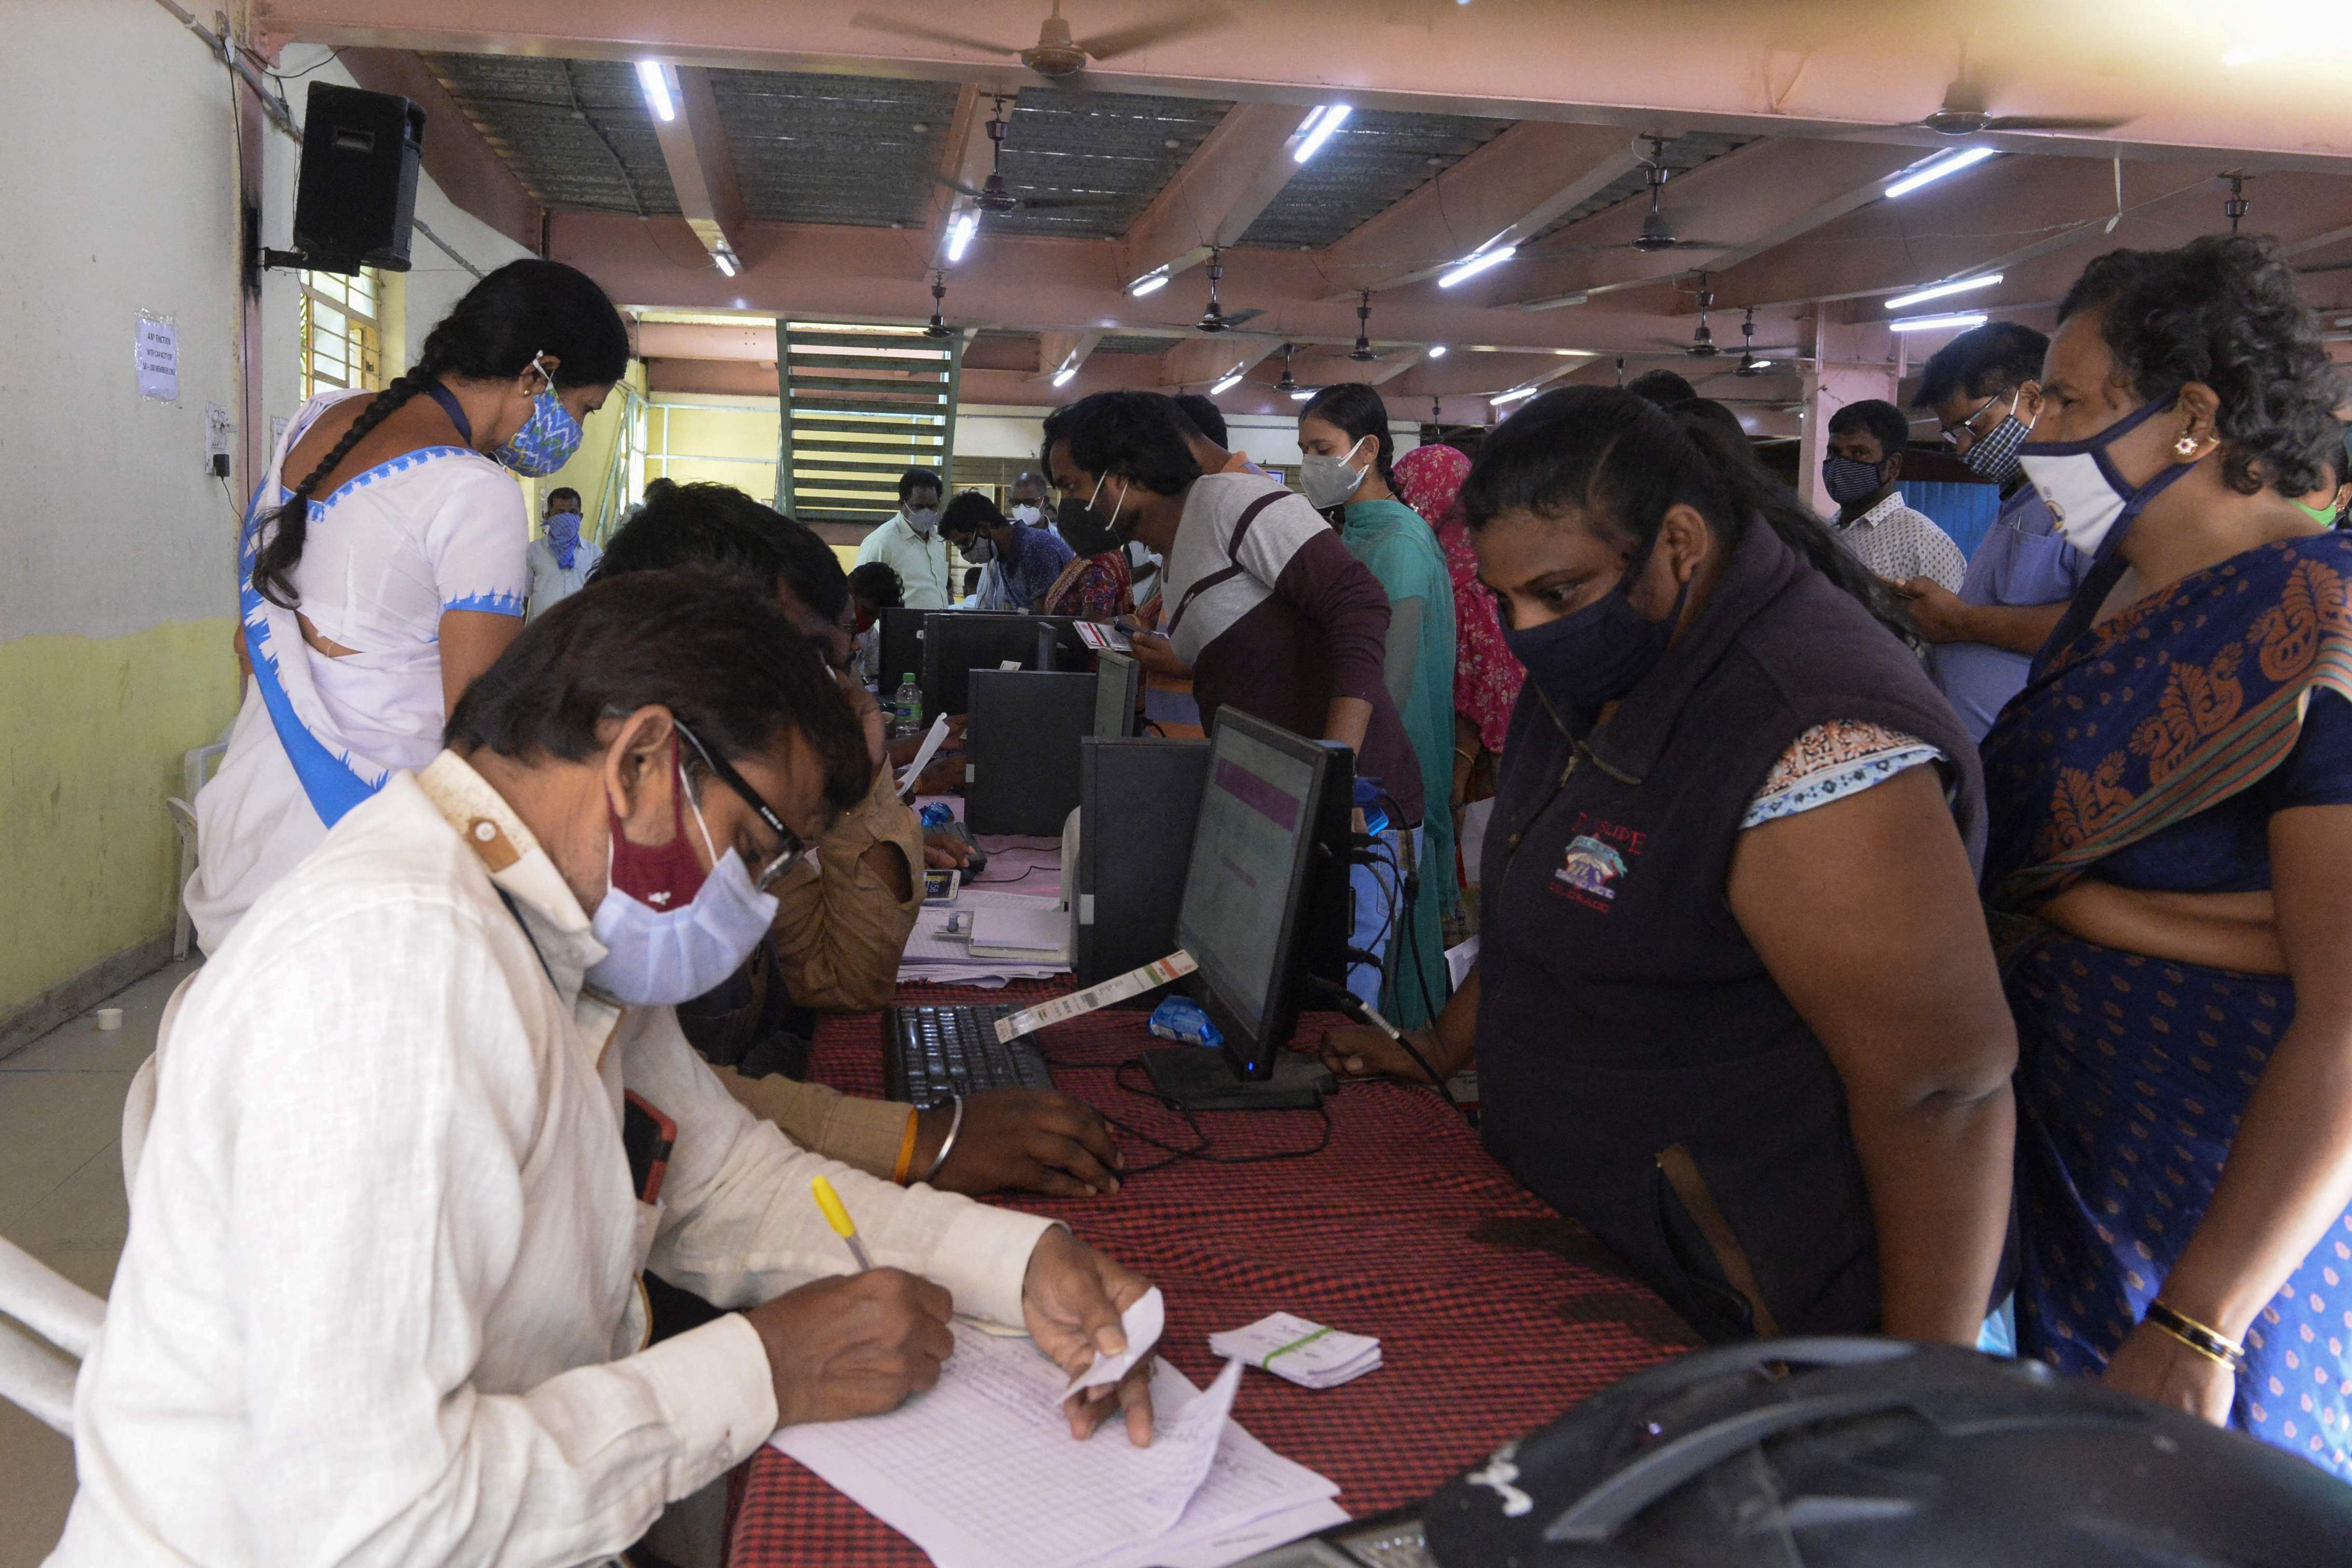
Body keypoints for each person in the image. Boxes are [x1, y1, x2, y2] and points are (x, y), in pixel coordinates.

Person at [53, 572, 1157, 1567]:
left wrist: (1011, 1258)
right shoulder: (394, 980)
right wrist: (763, 1369)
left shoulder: (544, 927)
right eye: (758, 846)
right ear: (640, 761)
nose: (758, 900)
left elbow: (727, 1186)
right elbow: (371, 1520)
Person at [1321, 386, 2017, 1350]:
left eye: (1556, 593)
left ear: (1680, 545)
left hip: (1753, 1288)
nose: (1527, 627)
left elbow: (1940, 1090)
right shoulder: (1608, 654)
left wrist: (1918, 1381)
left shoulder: (1813, 735)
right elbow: (1551, 891)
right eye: (1504, 598)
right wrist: (1440, 1047)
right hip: (1605, 1249)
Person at [1978, 235, 2352, 1474]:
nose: (2038, 436)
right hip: (2063, 1141)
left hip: (2214, 1204)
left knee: (2193, 1502)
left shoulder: (2322, 623)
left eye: (2070, 404)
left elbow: (2344, 1007)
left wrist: (2202, 1317)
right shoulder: (2109, 593)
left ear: (2191, 417)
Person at [591, 486, 1125, 1203]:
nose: (833, 688)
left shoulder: (725, 795)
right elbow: (642, 1097)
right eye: (811, 660)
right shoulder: (601, 839)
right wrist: (915, 1139)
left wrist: (857, 763)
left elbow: (839, 978)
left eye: (837, 664)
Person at [189, 259, 630, 954]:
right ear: (536, 373)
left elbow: (254, 649)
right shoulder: (474, 491)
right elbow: (478, 728)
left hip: (253, 820)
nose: (572, 433)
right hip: (368, 855)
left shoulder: (321, 421)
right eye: (583, 409)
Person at [1041, 392, 1426, 1011]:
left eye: (1072, 484)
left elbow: (1358, 603)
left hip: (1349, 811)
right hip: (1278, 806)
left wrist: (1336, 770)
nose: (1068, 505)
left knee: (1330, 1018)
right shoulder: (1173, 553)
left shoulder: (1232, 501)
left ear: (1123, 471)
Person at [1298, 383, 1457, 1028]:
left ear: (1368, 448)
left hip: (1388, 766)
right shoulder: (1351, 530)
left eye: (1322, 448)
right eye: (1304, 448)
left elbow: (1387, 681)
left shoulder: (1399, 543)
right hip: (1358, 756)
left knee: (1381, 940)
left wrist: (1352, 776)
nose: (1311, 462)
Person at [1893, 322, 2090, 741]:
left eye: (1975, 426)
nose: (1962, 448)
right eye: (1953, 436)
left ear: (2033, 398)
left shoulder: (2086, 494)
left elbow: (2103, 623)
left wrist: (1961, 622)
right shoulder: (2019, 499)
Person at [1394, 442, 1524, 816]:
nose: (1406, 503)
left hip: (1471, 765)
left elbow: (1486, 686)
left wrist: (1460, 765)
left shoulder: (1469, 587)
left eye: (1410, 492)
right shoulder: (1474, 563)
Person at [1823, 399, 1967, 592]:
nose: (1840, 464)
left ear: (1892, 466)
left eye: (1859, 453)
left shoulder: (1925, 543)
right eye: (1834, 452)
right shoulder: (1825, 533)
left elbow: (1948, 621)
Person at [941, 489, 1074, 611]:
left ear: (984, 529)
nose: (964, 553)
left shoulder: (1036, 549)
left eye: (965, 542)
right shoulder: (1004, 556)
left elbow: (1043, 620)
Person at [854, 467, 953, 609]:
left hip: (936, 628)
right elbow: (859, 594)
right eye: (919, 507)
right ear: (902, 504)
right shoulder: (881, 542)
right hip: (897, 629)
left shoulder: (938, 539)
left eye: (933, 507)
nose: (926, 512)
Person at [525, 485, 601, 621]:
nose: (567, 518)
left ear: (580, 517)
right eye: (560, 513)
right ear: (548, 516)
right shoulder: (533, 552)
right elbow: (523, 597)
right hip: (542, 632)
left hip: (579, 632)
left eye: (573, 513)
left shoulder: (594, 554)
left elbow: (601, 597)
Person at [848, 560, 902, 685]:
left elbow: (877, 677)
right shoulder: (819, 627)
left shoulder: (870, 634)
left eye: (876, 618)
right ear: (850, 594)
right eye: (866, 612)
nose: (868, 621)